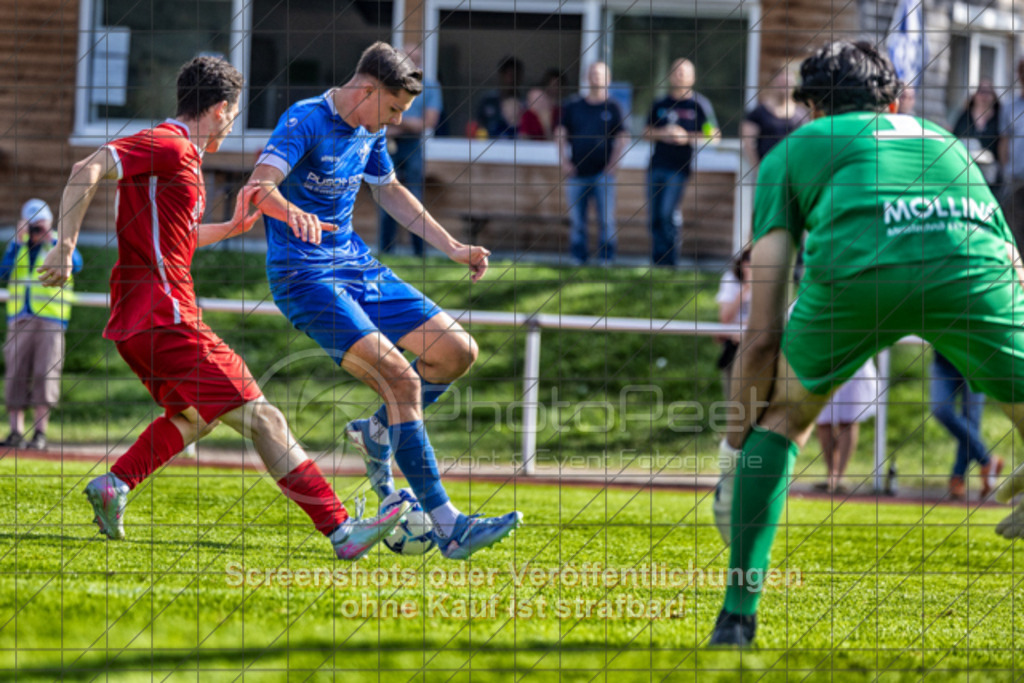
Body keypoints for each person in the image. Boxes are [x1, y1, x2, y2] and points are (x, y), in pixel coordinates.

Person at [709, 41, 1024, 647]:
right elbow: (1011, 265)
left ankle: (737, 615)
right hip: (972, 271)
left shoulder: (797, 147)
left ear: (809, 109)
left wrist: (732, 457)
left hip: (860, 278)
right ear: (898, 101)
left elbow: (761, 337)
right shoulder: (948, 142)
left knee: (781, 419)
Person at [38, 56, 408, 559]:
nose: (231, 124)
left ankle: (115, 484)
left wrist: (231, 229)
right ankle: (342, 530)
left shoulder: (183, 161)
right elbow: (91, 166)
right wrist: (64, 245)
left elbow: (178, 239)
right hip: (166, 318)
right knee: (265, 419)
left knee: (193, 416)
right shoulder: (168, 144)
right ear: (219, 109)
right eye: (233, 114)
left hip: (141, 322)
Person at [247, 41, 522, 560]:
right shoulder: (305, 119)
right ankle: (449, 524)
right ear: (367, 90)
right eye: (394, 109)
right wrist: (290, 213)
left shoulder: (370, 129)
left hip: (356, 265)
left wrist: (454, 248)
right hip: (303, 276)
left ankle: (378, 431)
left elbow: (390, 191)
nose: (396, 121)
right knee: (400, 377)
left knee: (456, 351)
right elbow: (259, 188)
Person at [0, 198, 83, 450]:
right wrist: (16, 241)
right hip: (20, 320)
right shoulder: (19, 246)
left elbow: (76, 264)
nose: (36, 231)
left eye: (40, 225)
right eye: (33, 226)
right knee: (15, 375)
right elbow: (3, 272)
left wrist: (54, 242)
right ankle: (15, 433)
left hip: (50, 322)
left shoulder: (62, 242)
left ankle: (40, 435)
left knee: (45, 375)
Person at [644, 58, 719, 266]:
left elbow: (713, 135)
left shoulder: (698, 105)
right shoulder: (660, 104)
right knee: (654, 217)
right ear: (670, 76)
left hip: (679, 168)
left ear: (692, 77)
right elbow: (646, 132)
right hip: (655, 166)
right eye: (676, 71)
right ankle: (657, 261)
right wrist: (663, 133)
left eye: (684, 72)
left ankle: (670, 261)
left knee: (668, 214)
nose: (680, 75)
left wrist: (686, 137)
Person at [555, 61, 628, 265]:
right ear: (587, 78)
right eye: (593, 74)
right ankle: (578, 258)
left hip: (603, 173)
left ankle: (606, 259)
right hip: (577, 172)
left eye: (600, 74)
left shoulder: (614, 107)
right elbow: (560, 134)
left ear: (608, 79)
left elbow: (623, 138)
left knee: (606, 220)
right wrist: (564, 162)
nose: (596, 77)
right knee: (578, 221)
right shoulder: (573, 105)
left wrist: (614, 164)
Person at [378, 43, 441, 257]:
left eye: (416, 59)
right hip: (389, 146)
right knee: (386, 197)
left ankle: (419, 253)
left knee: (415, 199)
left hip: (413, 147)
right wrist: (408, 123)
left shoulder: (430, 87)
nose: (412, 63)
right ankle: (386, 252)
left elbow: (428, 122)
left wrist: (398, 123)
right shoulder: (387, 86)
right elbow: (378, 119)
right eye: (408, 58)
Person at [930, 351, 1003, 499]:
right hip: (944, 359)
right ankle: (987, 460)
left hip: (975, 360)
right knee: (941, 410)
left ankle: (957, 477)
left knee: (971, 420)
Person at [813, 360, 877, 494]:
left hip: (853, 361)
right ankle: (831, 474)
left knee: (847, 420)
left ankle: (839, 477)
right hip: (823, 361)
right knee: (824, 420)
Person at [740, 70, 805, 170]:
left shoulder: (801, 115)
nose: (785, 87)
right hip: (768, 171)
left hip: (793, 173)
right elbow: (748, 144)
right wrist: (758, 170)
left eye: (788, 83)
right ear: (773, 83)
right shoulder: (757, 114)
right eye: (781, 83)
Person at [953, 80, 1004, 191]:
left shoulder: (999, 119)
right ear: (975, 95)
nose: (984, 96)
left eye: (988, 92)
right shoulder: (963, 117)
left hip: (991, 177)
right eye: (981, 91)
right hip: (965, 172)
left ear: (993, 96)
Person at [716, 249, 751, 403]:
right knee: (734, 400)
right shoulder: (731, 280)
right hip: (734, 346)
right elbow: (725, 318)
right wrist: (746, 289)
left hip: (757, 344)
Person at [999, 59, 1024, 248]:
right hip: (1015, 175)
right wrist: (1005, 168)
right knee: (1014, 227)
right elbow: (1004, 140)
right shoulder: (1010, 106)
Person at [473, 56, 523, 139]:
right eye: (510, 75)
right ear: (501, 75)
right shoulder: (487, 100)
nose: (512, 80)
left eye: (516, 76)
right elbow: (477, 126)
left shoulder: (525, 103)